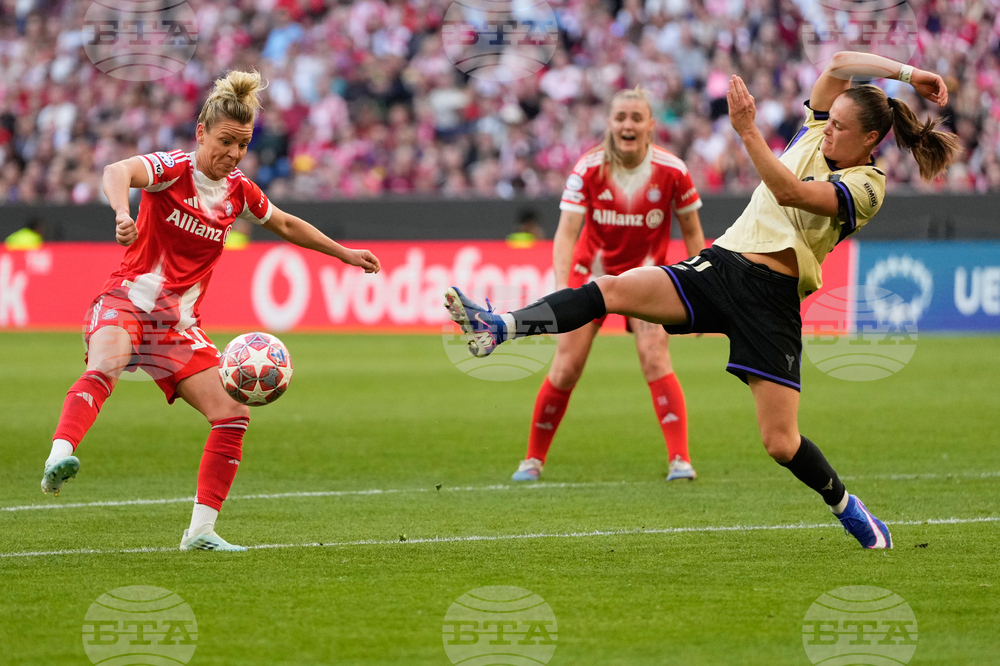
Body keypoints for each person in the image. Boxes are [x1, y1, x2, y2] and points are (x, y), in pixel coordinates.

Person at [445, 51, 961, 549]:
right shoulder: (814, 129)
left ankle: (846, 505)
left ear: (871, 138)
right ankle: (501, 326)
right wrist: (908, 73)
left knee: (780, 443)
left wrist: (747, 130)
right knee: (610, 289)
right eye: (829, 121)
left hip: (773, 300)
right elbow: (838, 65)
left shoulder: (868, 186)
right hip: (721, 267)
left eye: (840, 128)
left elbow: (792, 194)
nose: (827, 129)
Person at [40, 71, 381, 552]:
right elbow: (118, 170)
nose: (233, 154)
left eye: (242, 145)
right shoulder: (173, 168)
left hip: (177, 326)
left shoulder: (238, 191)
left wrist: (343, 252)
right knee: (105, 366)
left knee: (232, 412)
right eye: (225, 141)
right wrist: (121, 211)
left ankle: (200, 531)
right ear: (202, 133)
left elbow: (282, 221)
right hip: (129, 300)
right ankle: (60, 455)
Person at [509, 87, 705, 484]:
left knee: (655, 357)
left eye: (636, 117)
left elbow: (693, 233)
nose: (627, 124)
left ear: (651, 124)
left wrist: (701, 292)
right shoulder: (588, 168)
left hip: (649, 278)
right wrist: (564, 288)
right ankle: (532, 460)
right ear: (610, 124)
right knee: (566, 368)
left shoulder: (673, 170)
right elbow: (566, 233)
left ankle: (680, 459)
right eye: (620, 117)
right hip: (591, 277)